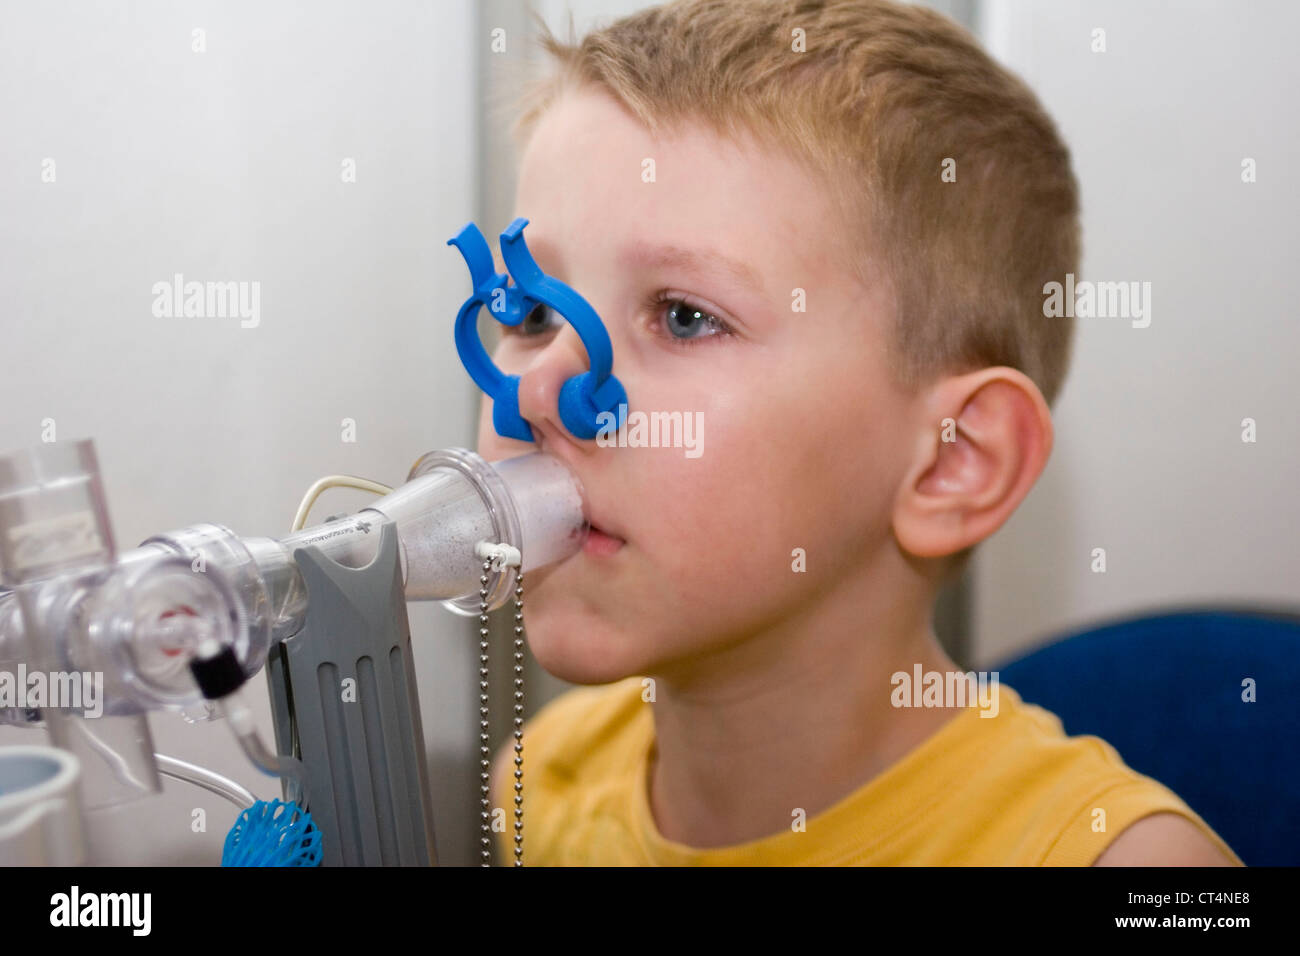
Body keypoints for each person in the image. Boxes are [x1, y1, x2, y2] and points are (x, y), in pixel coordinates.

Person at [482, 0, 1241, 866]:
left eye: (685, 317)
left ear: (953, 462)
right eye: (534, 310)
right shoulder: (539, 785)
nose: (534, 387)